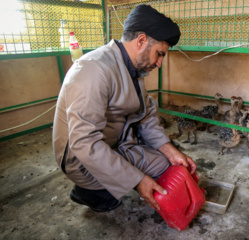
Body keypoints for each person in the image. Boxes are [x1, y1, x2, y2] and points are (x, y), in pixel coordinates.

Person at [52, 4, 196, 212]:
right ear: (141, 41)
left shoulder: (132, 67)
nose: (159, 63)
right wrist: (138, 181)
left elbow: (145, 116)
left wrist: (168, 149)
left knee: (167, 165)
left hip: (115, 141)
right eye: (159, 54)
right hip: (81, 157)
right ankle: (88, 191)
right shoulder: (93, 69)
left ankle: (108, 183)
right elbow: (84, 143)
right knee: (113, 198)